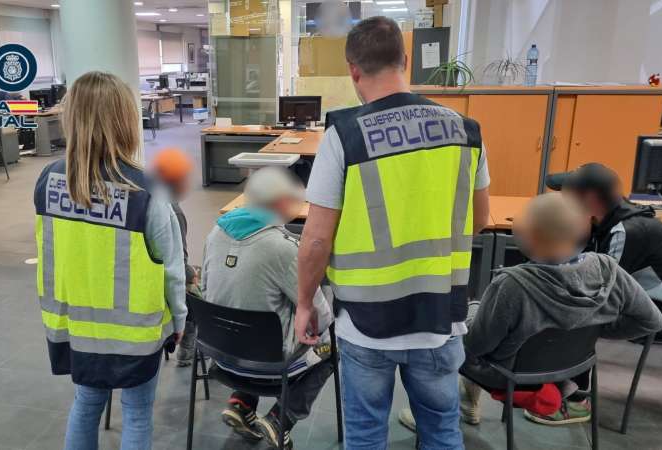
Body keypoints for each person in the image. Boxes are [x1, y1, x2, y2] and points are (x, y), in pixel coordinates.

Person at [294, 16, 491, 450]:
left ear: (353, 69)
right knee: (442, 431)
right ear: (405, 60)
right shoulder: (466, 131)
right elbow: (478, 221)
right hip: (441, 317)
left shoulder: (343, 135)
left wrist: (305, 302)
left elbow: (315, 241)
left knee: (365, 434)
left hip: (367, 322)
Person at [399, 193, 662, 430]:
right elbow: (651, 320)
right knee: (481, 320)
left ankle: (436, 415)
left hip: (509, 377)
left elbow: (477, 346)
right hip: (569, 369)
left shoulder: (513, 285)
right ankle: (467, 398)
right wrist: (596, 327)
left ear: (530, 238)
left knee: (452, 330)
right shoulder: (607, 269)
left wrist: (468, 315)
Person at [33, 72, 187, 450]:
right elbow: (171, 269)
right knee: (136, 414)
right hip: (135, 334)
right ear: (123, 120)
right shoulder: (146, 192)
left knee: (86, 403)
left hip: (76, 326)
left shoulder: (48, 182)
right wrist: (180, 319)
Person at [202, 167, 335, 450]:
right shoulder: (285, 249)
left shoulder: (215, 232)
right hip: (268, 367)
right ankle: (280, 419)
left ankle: (240, 402)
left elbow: (206, 288)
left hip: (220, 355)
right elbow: (320, 318)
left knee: (251, 311)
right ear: (282, 202)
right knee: (334, 348)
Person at [547, 163, 662, 306]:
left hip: (653, 313)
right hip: (630, 301)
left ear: (590, 199)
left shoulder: (626, 231)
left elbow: (601, 290)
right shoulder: (598, 220)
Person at [150, 148, 201, 367]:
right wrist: (193, 275)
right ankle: (189, 349)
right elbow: (178, 262)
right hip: (163, 285)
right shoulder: (173, 211)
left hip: (149, 274)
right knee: (203, 287)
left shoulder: (147, 196)